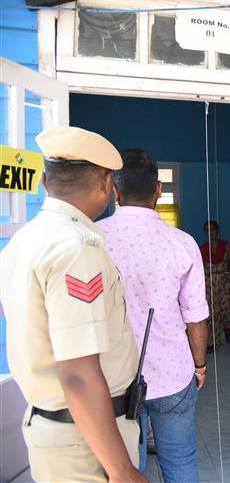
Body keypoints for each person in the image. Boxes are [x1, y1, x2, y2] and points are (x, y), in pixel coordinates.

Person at [0, 126, 146, 483]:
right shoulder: (76, 249)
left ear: (46, 184)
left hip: (61, 429)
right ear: (106, 185)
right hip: (85, 442)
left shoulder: (25, 240)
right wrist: (122, 469)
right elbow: (78, 375)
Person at [98, 149, 209, 483]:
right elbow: (195, 314)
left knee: (127, 468)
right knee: (180, 461)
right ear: (158, 189)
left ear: (115, 190)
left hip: (112, 376)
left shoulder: (93, 238)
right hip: (173, 373)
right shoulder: (182, 242)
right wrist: (199, 365)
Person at [200, 220, 230, 349]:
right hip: (210, 283)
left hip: (224, 282)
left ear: (217, 230)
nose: (210, 233)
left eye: (212, 229)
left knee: (225, 308)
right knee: (212, 312)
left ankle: (226, 329)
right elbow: (201, 268)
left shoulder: (226, 246)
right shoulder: (203, 248)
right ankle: (213, 341)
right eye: (207, 230)